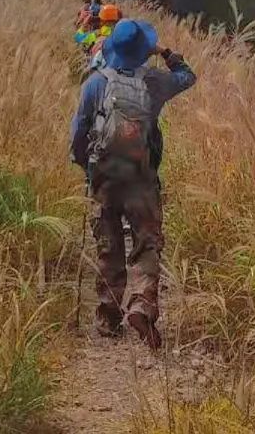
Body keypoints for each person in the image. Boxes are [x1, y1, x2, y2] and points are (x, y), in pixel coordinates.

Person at [69, 19, 195, 347]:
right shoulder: (153, 82)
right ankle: (141, 303)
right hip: (141, 179)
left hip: (105, 179)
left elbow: (78, 135)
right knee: (147, 243)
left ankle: (108, 317)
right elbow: (188, 77)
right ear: (143, 51)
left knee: (109, 247)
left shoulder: (95, 84)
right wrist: (166, 52)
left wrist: (88, 170)